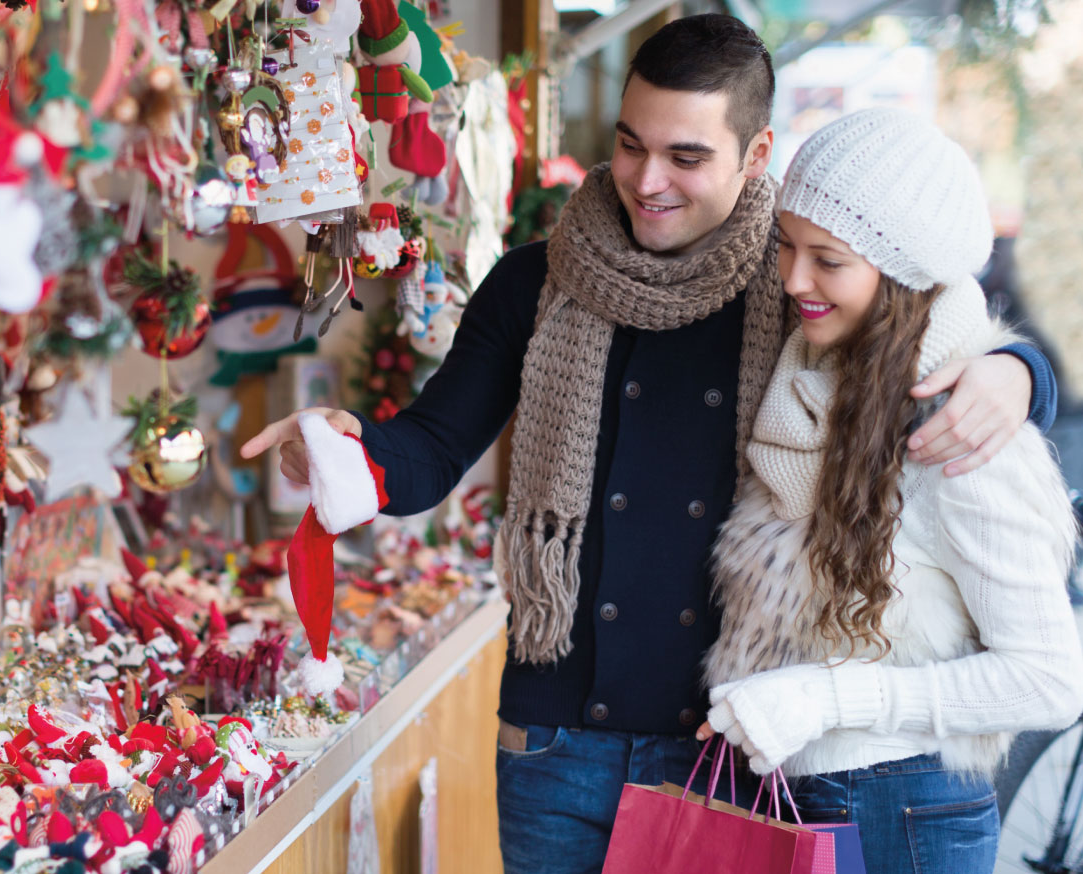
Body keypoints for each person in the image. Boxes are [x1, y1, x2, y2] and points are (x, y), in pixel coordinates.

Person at [240, 14, 1061, 874]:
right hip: (556, 743)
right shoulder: (536, 280)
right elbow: (431, 450)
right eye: (631, 145)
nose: (646, 180)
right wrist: (353, 452)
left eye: (687, 157)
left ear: (756, 153)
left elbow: (927, 323)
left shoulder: (795, 287)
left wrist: (1019, 372)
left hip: (727, 751)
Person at [694, 108, 1083, 873]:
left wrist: (826, 698)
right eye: (787, 246)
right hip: (810, 794)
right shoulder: (815, 378)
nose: (793, 279)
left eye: (827, 259)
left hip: (901, 811)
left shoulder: (957, 429)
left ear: (902, 272)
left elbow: (1051, 680)